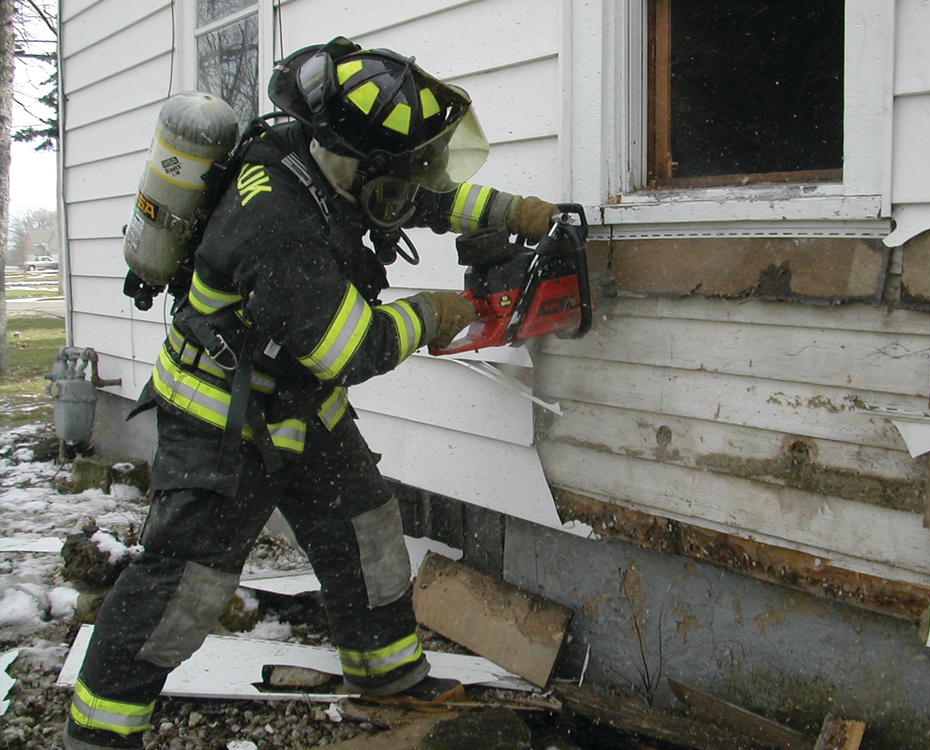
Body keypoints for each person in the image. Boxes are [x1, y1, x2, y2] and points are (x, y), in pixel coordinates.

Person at [64, 36, 560, 750]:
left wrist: (513, 212)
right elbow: (350, 348)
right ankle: (100, 729)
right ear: (359, 162)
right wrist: (430, 313)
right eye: (402, 166)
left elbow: (421, 195)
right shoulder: (279, 223)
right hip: (222, 415)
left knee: (366, 530)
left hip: (299, 400)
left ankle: (386, 674)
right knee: (187, 584)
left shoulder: (327, 159)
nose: (414, 180)